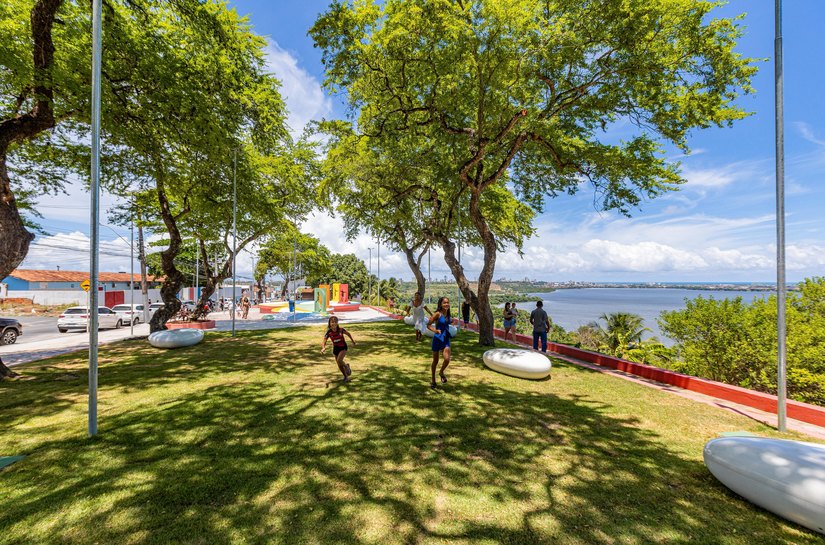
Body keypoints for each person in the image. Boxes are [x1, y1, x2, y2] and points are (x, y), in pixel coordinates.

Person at [427, 297, 452, 389]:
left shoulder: (448, 314)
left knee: (447, 359)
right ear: (440, 304)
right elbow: (428, 325)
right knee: (435, 361)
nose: (446, 304)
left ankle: (441, 372)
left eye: (447, 302)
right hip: (437, 339)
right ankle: (433, 380)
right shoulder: (438, 314)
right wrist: (435, 330)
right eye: (444, 303)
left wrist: (452, 321)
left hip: (446, 339)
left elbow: (448, 322)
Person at [321, 316, 356, 382]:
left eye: (335, 322)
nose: (334, 323)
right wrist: (323, 348)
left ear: (337, 323)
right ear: (329, 323)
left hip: (343, 347)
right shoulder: (329, 332)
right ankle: (346, 377)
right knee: (339, 364)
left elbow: (348, 334)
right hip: (336, 348)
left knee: (339, 360)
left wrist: (353, 341)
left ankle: (347, 367)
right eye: (332, 322)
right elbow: (324, 340)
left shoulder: (341, 330)